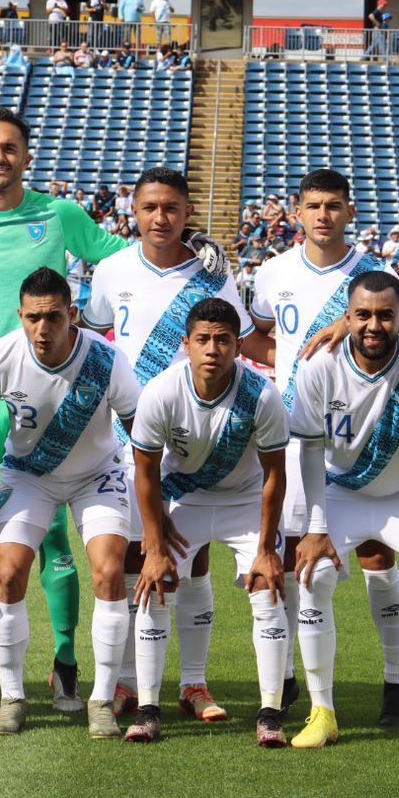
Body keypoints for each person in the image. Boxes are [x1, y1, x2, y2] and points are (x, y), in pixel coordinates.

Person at [0, 107, 144, 711]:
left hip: (47, 390)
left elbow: (125, 259)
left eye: (10, 147)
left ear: (26, 155)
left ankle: (66, 659)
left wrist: (193, 254)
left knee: (53, 542)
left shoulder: (58, 214)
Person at [81, 167, 272, 721]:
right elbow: (93, 335)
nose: (160, 217)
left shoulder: (214, 276)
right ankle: (127, 682)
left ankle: (193, 684)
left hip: (196, 432)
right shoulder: (112, 269)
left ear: (188, 213)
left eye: (171, 207)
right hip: (128, 432)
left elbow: (239, 338)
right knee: (139, 554)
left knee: (193, 555)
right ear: (133, 213)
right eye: (149, 207)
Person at [249, 168, 399, 725]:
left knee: (375, 555)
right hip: (294, 431)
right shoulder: (272, 273)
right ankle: (294, 678)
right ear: (295, 212)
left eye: (334, 206)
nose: (324, 215)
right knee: (301, 555)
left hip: (362, 426)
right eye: (314, 205)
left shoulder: (376, 275)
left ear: (350, 213)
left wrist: (349, 321)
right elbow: (259, 335)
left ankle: (396, 684)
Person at [287, 272, 399, 753]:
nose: (373, 324)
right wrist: (316, 528)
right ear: (347, 318)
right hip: (343, 492)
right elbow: (309, 452)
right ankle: (322, 712)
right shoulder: (319, 365)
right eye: (363, 314)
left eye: (385, 314)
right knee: (314, 575)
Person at [0, 269, 141, 738]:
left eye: (52, 317)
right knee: (8, 573)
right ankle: (12, 699)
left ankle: (101, 700)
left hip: (97, 475)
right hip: (28, 476)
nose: (42, 329)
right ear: (20, 316)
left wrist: (157, 506)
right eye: (32, 318)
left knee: (109, 570)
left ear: (72, 313)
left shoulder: (107, 360)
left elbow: (142, 439)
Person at [128, 298, 292, 746]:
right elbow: (145, 470)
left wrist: (266, 549)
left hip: (244, 502)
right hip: (185, 498)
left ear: (238, 346)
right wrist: (155, 541)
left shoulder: (262, 394)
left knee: (267, 588)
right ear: (185, 344)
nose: (212, 349)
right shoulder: (161, 391)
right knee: (157, 582)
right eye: (202, 339)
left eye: (223, 340)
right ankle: (147, 708)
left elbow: (275, 474)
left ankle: (270, 713)